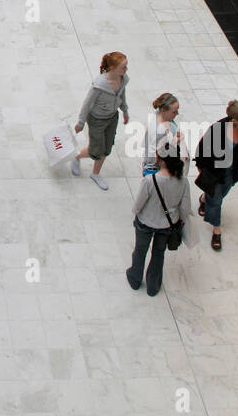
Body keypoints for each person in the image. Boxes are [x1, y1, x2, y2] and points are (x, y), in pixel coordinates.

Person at [126, 140, 191, 296]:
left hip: (146, 222)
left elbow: (138, 203)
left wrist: (135, 213)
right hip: (168, 225)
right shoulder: (183, 181)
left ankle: (135, 278)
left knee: (140, 250)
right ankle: (153, 285)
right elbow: (185, 207)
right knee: (158, 253)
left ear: (161, 159)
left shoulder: (150, 180)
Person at [194, 100, 238, 252]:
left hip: (232, 172)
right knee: (216, 200)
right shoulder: (217, 129)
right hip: (215, 172)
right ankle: (216, 230)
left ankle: (203, 199)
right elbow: (202, 149)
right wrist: (201, 168)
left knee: (222, 193)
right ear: (234, 120)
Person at [73, 50, 130, 190]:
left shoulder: (122, 79)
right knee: (95, 151)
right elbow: (87, 103)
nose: (126, 69)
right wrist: (81, 122)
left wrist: (125, 111)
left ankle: (95, 173)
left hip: (112, 117)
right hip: (97, 120)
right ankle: (77, 157)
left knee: (106, 148)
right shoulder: (99, 84)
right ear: (112, 68)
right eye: (123, 67)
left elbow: (122, 96)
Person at [143, 93, 189, 178]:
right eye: (174, 112)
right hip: (160, 172)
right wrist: (175, 141)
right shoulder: (157, 131)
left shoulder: (164, 116)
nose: (177, 114)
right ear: (164, 110)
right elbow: (153, 157)